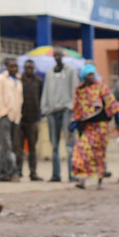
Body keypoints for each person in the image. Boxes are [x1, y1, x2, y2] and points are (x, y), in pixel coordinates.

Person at [70, 65, 119, 189]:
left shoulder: (102, 88)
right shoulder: (80, 90)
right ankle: (82, 180)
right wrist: (73, 124)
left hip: (101, 127)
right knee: (81, 151)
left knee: (99, 154)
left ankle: (100, 181)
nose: (92, 77)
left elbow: (112, 104)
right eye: (89, 75)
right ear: (84, 77)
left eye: (93, 74)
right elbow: (77, 109)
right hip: (87, 127)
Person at [40, 49, 78, 183]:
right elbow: (45, 90)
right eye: (55, 55)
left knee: (69, 143)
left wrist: (72, 108)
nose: (57, 57)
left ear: (63, 56)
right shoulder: (50, 73)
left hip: (66, 111)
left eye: (59, 55)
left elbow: (75, 90)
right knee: (54, 145)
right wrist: (44, 108)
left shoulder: (71, 71)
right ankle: (56, 175)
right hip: (52, 111)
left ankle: (72, 174)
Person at [0, 57, 23, 182]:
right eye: (11, 66)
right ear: (6, 66)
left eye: (16, 66)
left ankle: (2, 173)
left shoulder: (18, 81)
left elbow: (20, 99)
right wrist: (2, 113)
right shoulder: (0, 79)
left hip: (15, 118)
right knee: (6, 145)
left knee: (10, 146)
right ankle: (10, 171)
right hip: (4, 116)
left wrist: (18, 115)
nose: (14, 69)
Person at [17, 59, 43, 181]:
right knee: (19, 148)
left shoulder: (38, 81)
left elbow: (41, 97)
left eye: (31, 68)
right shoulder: (18, 81)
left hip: (33, 120)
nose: (29, 70)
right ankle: (18, 171)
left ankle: (33, 172)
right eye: (27, 68)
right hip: (20, 119)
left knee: (33, 148)